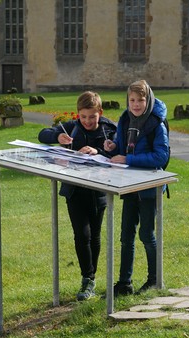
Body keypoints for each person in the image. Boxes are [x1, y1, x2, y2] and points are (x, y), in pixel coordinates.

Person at [38, 91, 117, 301]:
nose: (88, 121)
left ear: (100, 112)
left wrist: (100, 151)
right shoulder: (71, 127)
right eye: (84, 117)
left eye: (92, 116)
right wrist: (57, 137)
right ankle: (87, 278)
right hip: (74, 190)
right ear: (78, 114)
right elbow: (42, 134)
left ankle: (92, 276)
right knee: (81, 235)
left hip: (99, 190)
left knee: (95, 235)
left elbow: (118, 149)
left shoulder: (110, 129)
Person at [103, 80, 169, 296]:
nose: (136, 104)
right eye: (132, 100)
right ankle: (124, 283)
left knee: (147, 234)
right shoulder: (124, 119)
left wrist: (128, 159)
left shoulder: (156, 124)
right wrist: (113, 146)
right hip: (128, 185)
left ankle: (154, 279)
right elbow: (122, 147)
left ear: (148, 100)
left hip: (149, 188)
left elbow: (161, 156)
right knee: (126, 235)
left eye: (141, 100)